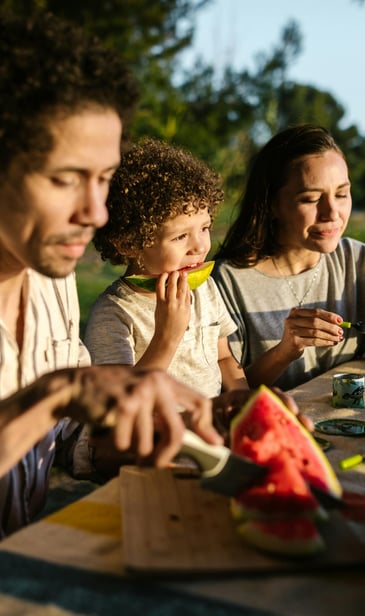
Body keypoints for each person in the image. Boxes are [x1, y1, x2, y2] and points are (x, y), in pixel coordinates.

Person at [0, 11, 224, 538]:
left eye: (102, 179)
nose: (97, 213)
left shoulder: (53, 285)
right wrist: (55, 393)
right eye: (65, 179)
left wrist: (197, 422)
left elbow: (73, 442)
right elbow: (59, 400)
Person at [84, 138, 249, 400]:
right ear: (128, 244)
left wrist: (245, 401)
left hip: (209, 429)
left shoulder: (205, 288)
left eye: (204, 228)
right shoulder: (114, 314)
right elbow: (120, 402)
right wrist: (166, 336)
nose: (199, 246)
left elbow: (224, 357)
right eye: (180, 237)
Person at [213, 124, 365, 391]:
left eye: (341, 194)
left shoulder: (356, 260)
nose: (332, 212)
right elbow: (229, 396)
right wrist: (285, 351)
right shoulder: (228, 282)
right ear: (272, 204)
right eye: (310, 199)